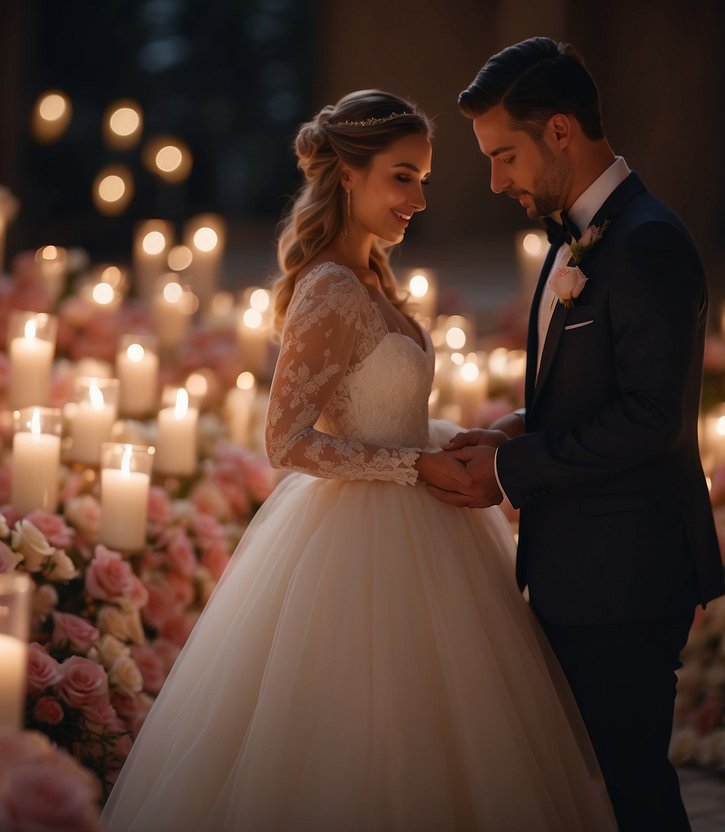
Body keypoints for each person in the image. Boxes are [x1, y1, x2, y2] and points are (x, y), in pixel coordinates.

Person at [102, 89, 616, 831]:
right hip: (360, 537)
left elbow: (389, 413)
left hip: (430, 519)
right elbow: (286, 441)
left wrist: (458, 442)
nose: (418, 198)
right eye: (401, 176)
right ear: (348, 174)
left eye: (424, 180)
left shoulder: (375, 277)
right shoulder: (329, 289)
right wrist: (411, 468)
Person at [431, 37, 725, 831]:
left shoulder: (646, 242)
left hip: (627, 572)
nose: (495, 181)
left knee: (630, 792)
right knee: (584, 793)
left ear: (560, 131)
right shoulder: (576, 236)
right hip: (578, 567)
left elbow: (649, 419)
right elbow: (593, 395)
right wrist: (511, 433)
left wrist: (510, 473)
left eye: (504, 156)